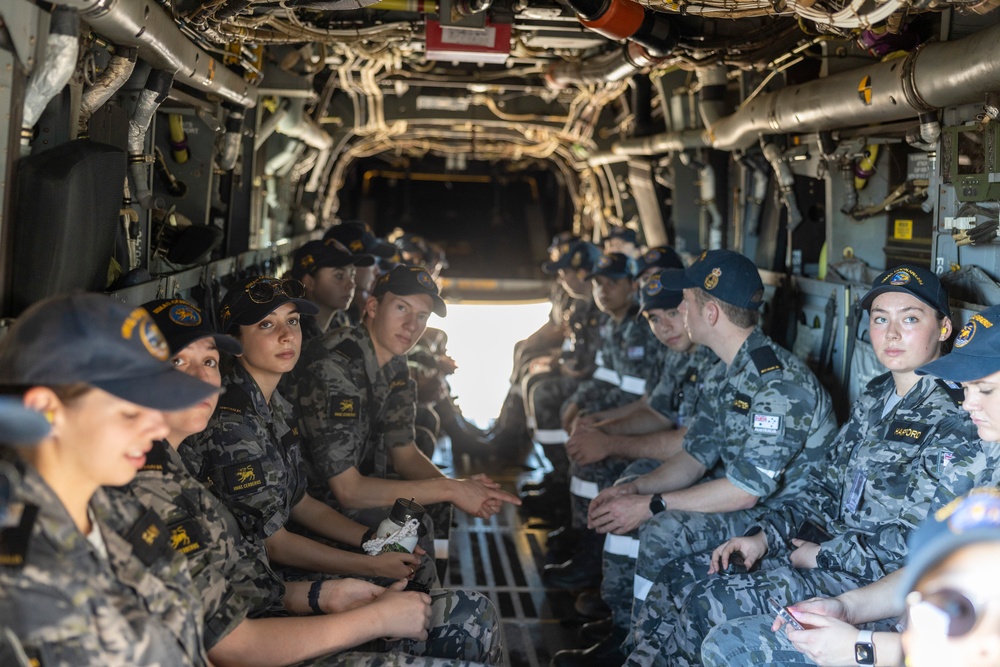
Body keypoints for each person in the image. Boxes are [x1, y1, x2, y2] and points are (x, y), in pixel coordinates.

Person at [623, 265, 986, 667]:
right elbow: (823, 489)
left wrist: (825, 556)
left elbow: (917, 548)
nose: (892, 333)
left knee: (712, 600)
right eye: (881, 319)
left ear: (945, 329)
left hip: (872, 585)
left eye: (911, 319)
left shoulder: (964, 418)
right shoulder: (876, 395)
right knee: (682, 577)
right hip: (829, 554)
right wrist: (765, 537)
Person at [121, 297, 504, 666]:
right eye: (176, 362)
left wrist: (325, 594)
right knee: (465, 623)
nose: (201, 378)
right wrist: (375, 608)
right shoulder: (161, 479)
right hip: (251, 641)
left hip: (267, 603)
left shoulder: (178, 464)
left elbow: (247, 578)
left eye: (208, 361)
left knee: (473, 612)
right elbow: (232, 643)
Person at [555, 251, 837, 666]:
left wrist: (651, 505)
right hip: (757, 503)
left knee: (664, 529)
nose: (679, 310)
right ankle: (632, 638)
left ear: (709, 312)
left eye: (684, 302)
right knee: (635, 499)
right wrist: (633, 489)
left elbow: (745, 492)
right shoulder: (727, 371)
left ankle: (639, 650)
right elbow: (694, 456)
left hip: (785, 519)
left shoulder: (778, 384)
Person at [700, 304, 1000, 667]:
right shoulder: (991, 460)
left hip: (907, 638)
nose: (968, 403)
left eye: (984, 389)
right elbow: (929, 569)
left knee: (732, 646)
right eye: (967, 388)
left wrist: (864, 647)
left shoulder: (966, 439)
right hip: (901, 617)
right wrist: (846, 608)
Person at [0, 292, 218, 665]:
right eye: (130, 411)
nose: (157, 424)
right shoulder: (20, 574)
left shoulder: (112, 507)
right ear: (46, 411)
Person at [180, 277, 438, 588]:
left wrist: (374, 541)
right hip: (253, 581)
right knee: (400, 580)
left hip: (277, 555)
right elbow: (276, 544)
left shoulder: (274, 403)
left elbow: (301, 502)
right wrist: (372, 564)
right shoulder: (231, 424)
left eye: (292, 321)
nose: (287, 335)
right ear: (234, 342)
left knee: (409, 561)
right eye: (266, 325)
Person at [288, 265, 520, 540]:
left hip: (344, 486)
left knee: (437, 504)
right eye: (402, 308)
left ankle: (425, 579)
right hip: (306, 505)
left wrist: (457, 487)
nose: (412, 326)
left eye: (422, 316)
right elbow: (348, 492)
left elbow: (404, 452)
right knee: (417, 524)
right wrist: (451, 489)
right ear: (373, 307)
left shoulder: (394, 360)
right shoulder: (335, 368)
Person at [289, 239, 374, 340]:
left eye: (352, 275)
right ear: (309, 282)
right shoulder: (295, 335)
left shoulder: (339, 323)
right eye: (339, 276)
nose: (351, 284)